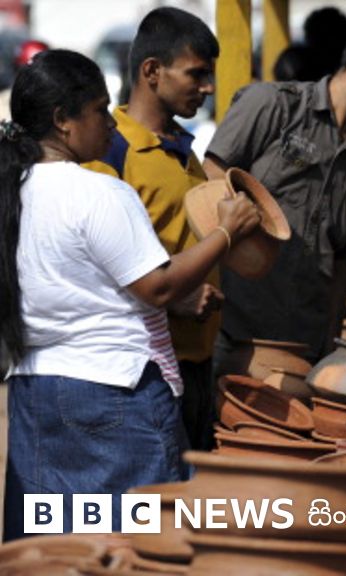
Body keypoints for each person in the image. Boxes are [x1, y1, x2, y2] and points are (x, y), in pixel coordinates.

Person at [0, 49, 260, 540]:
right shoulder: (98, 193)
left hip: (38, 391)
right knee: (139, 540)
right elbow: (157, 285)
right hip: (113, 393)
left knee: (54, 542)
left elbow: (83, 284)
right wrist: (225, 234)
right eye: (100, 110)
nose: (111, 123)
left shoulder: (15, 189)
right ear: (62, 121)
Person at [203, 23, 346, 364]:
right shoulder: (272, 106)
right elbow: (209, 183)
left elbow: (340, 267)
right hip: (232, 337)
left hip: (302, 348)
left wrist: (328, 353)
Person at [84, 7, 222, 452]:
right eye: (196, 74)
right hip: (142, 374)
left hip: (197, 364)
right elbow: (88, 265)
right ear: (152, 72)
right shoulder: (110, 153)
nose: (208, 87)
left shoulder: (184, 149)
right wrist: (172, 300)